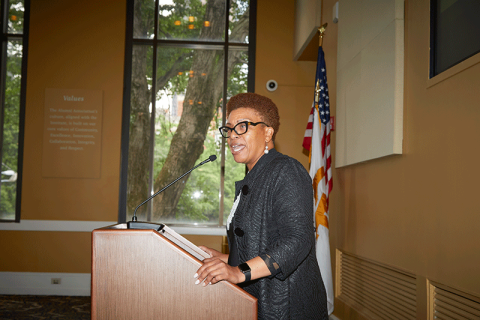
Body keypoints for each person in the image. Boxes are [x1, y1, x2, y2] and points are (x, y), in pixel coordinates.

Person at [194, 93, 328, 319]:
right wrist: (224, 260)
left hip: (287, 306)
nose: (232, 137)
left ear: (267, 132)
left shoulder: (286, 170)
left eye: (242, 127)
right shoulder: (254, 177)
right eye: (229, 129)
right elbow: (260, 244)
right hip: (259, 301)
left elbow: (297, 240)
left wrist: (238, 272)